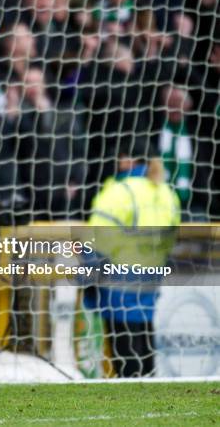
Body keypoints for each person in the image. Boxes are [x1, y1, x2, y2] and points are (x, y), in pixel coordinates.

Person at [83, 138, 181, 377]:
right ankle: (150, 389)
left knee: (122, 341)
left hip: (119, 275)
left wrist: (88, 275)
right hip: (150, 275)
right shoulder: (165, 192)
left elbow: (98, 238)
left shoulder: (119, 191)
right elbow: (171, 238)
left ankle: (129, 392)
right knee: (144, 331)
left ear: (128, 159)